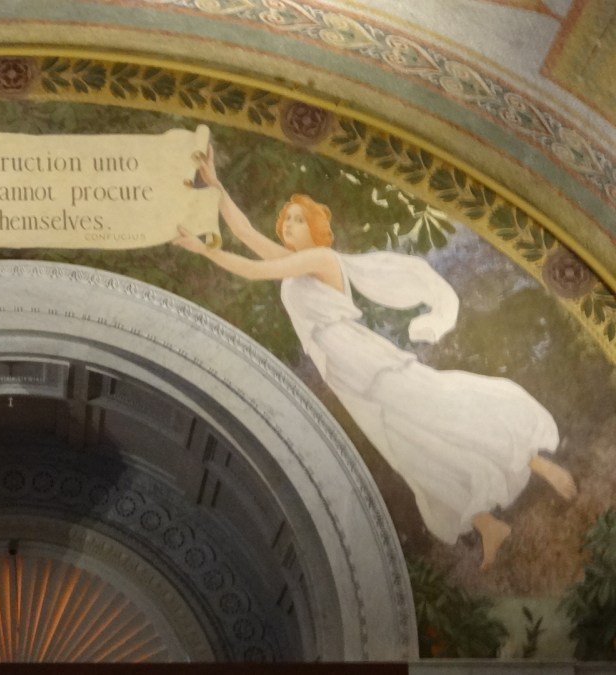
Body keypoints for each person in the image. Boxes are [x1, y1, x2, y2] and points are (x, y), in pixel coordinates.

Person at [172, 148, 576, 570]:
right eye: (286, 220)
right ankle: (487, 524)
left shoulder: (321, 259)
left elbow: (253, 269)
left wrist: (206, 252)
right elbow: (247, 234)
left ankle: (535, 460)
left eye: (298, 219)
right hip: (343, 374)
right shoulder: (294, 265)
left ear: (316, 229)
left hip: (364, 360)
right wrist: (216, 185)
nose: (288, 225)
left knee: (440, 408)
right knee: (408, 450)